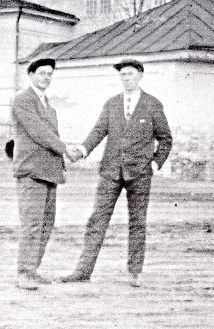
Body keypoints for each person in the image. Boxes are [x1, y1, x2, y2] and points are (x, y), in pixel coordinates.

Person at [60, 58, 173, 288]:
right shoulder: (112, 103)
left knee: (137, 222)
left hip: (140, 174)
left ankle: (134, 272)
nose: (126, 78)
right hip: (110, 171)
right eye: (122, 75)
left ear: (140, 75)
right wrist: (82, 150)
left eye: (130, 74)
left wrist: (154, 165)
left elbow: (165, 139)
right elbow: (98, 131)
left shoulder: (153, 104)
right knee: (97, 220)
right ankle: (83, 270)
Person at [11, 57, 80, 290]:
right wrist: (65, 149)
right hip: (31, 172)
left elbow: (49, 136)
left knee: (46, 224)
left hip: (50, 172)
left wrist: (62, 164)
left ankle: (33, 269)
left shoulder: (48, 106)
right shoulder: (22, 100)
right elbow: (39, 132)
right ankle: (24, 273)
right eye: (42, 73)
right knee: (32, 223)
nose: (46, 77)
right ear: (30, 75)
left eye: (50, 74)